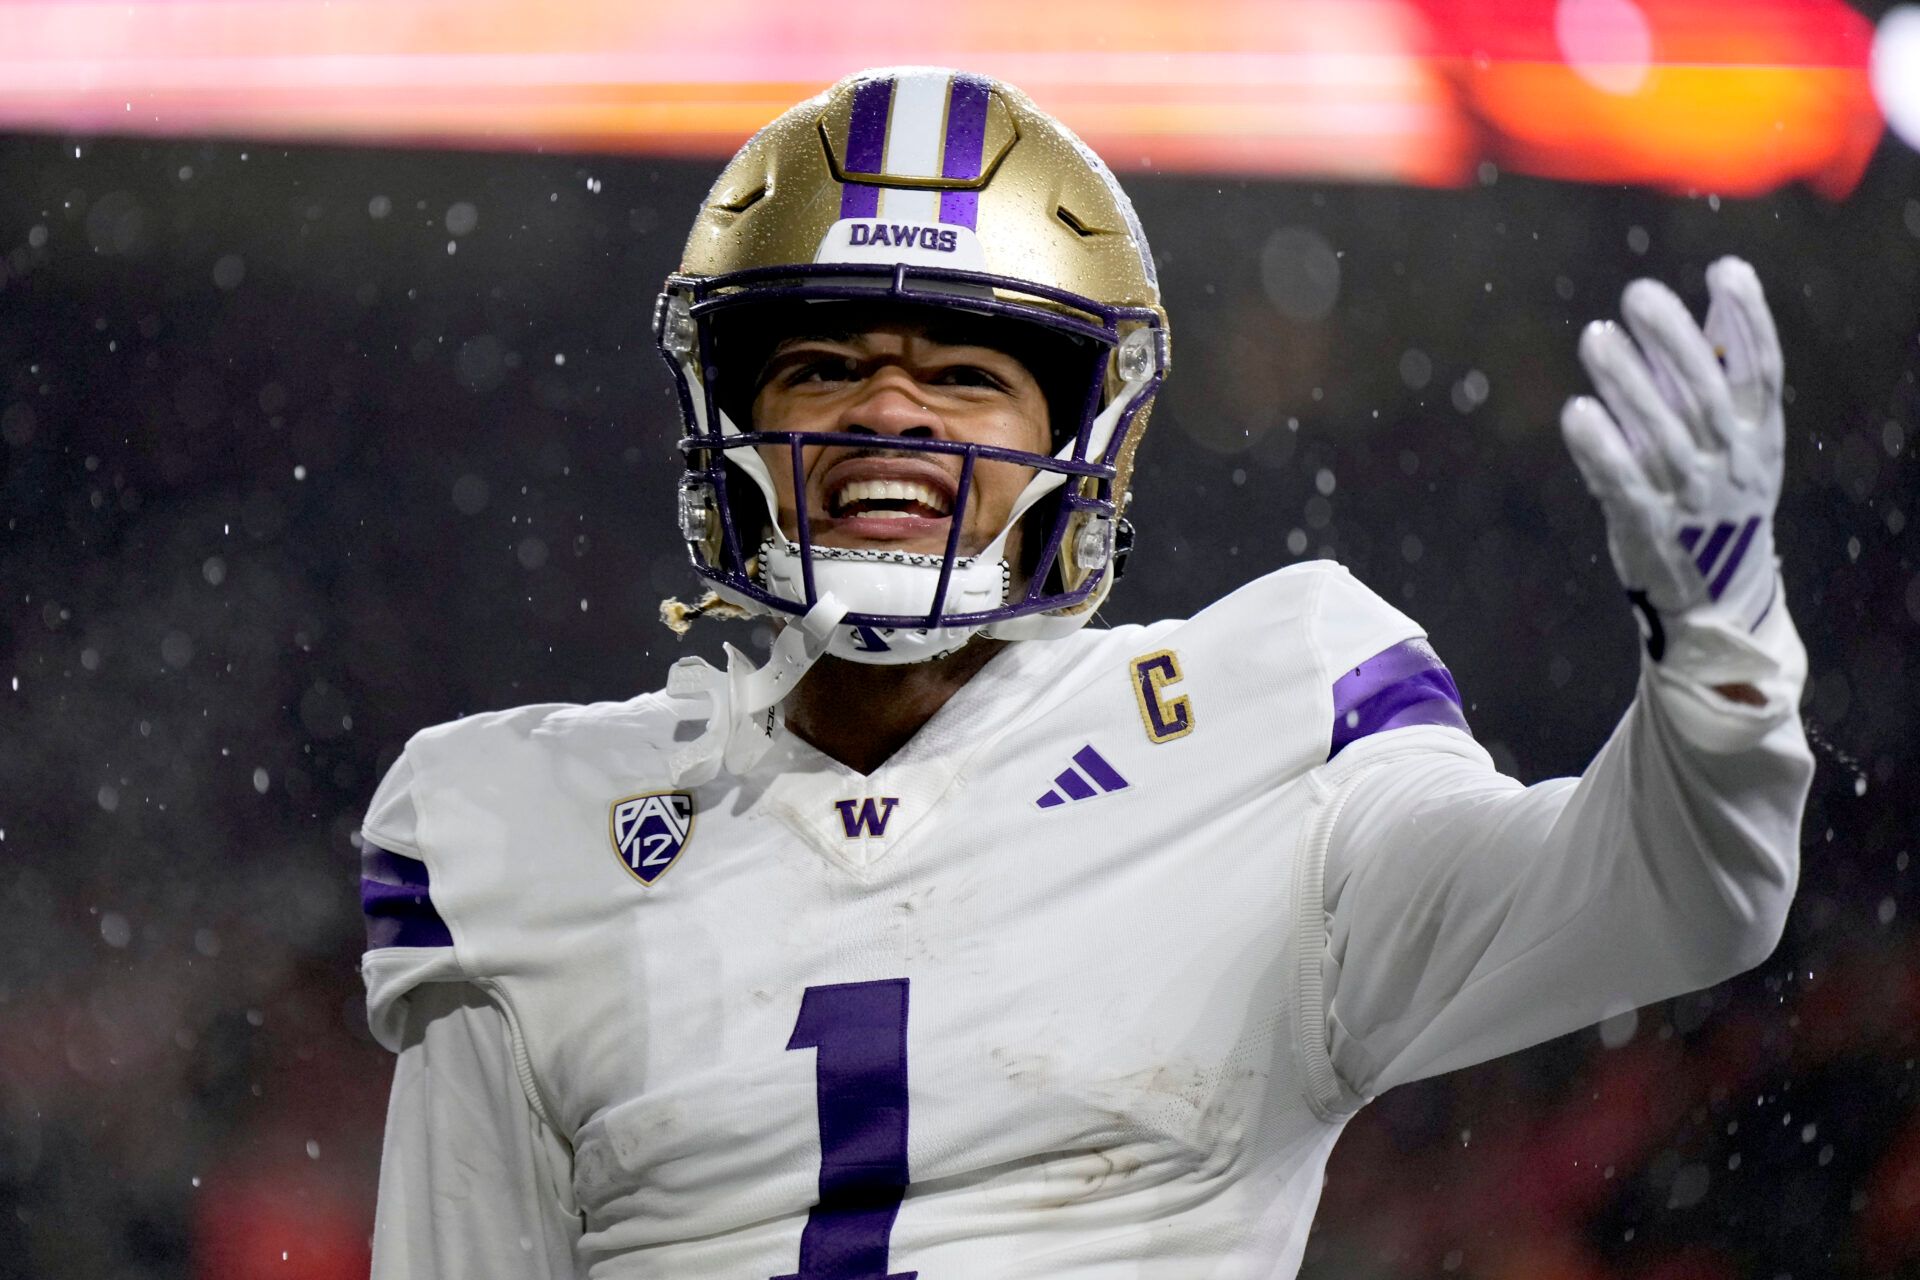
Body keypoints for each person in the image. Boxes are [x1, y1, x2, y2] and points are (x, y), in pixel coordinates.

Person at [358, 67, 1811, 1279]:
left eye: (967, 376)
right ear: (727, 420)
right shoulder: (519, 827)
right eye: (820, 364)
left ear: (1084, 446)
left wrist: (1719, 663)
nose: (887, 411)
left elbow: (1674, 903)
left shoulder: (1267, 720)